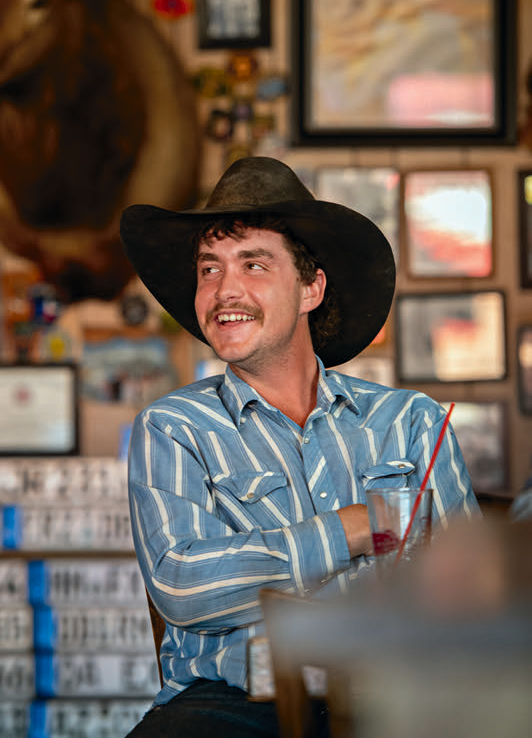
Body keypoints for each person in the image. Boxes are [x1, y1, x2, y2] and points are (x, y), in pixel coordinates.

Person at [119, 156, 480, 738]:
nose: (223, 290)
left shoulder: (411, 421)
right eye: (209, 269)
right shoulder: (173, 426)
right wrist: (355, 527)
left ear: (311, 287)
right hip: (234, 703)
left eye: (253, 264)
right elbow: (183, 585)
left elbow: (471, 592)